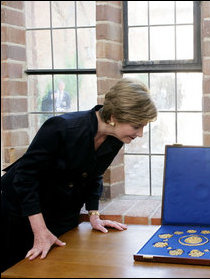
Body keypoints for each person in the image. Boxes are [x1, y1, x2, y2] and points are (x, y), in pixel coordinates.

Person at [1, 78, 158, 273]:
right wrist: (40, 230)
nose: (140, 134)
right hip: (22, 211)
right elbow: (24, 178)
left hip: (61, 211)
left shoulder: (115, 138)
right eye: (137, 126)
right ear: (115, 116)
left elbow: (95, 174)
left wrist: (94, 215)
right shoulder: (62, 127)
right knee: (16, 270)